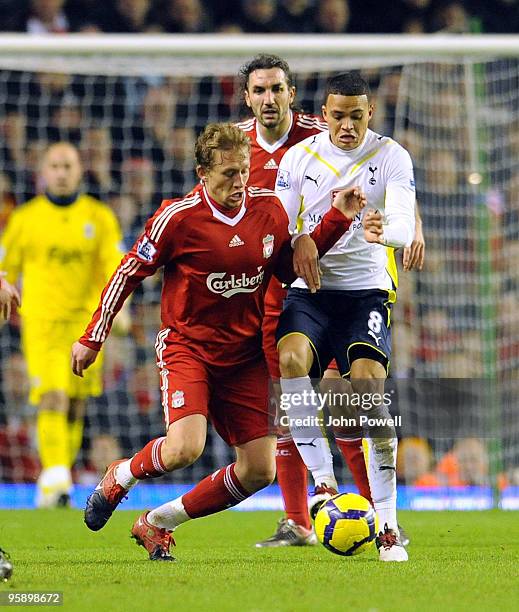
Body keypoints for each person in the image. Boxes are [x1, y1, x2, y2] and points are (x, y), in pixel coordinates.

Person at [71, 122, 365, 561]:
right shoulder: (178, 218)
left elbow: (290, 267)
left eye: (244, 171)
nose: (240, 182)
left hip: (243, 356)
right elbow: (127, 273)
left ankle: (157, 522)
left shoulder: (268, 211)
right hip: (188, 346)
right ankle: (122, 474)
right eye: (228, 173)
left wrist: (337, 219)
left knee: (258, 471)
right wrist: (94, 336)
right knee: (184, 448)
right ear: (202, 173)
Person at [275, 72, 416, 562]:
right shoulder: (299, 157)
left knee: (368, 394)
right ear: (325, 112)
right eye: (338, 116)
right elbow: (280, 225)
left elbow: (402, 214)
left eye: (357, 116)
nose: (347, 126)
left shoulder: (391, 156)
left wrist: (387, 231)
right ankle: (324, 485)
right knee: (290, 359)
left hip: (365, 294)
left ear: (369, 114)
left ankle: (389, 527)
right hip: (310, 292)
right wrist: (300, 238)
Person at [236, 53, 373, 547]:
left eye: (277, 88)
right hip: (273, 292)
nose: (269, 98)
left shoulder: (325, 133)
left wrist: (410, 221)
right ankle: (298, 520)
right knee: (287, 408)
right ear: (247, 97)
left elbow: (384, 176)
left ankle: (378, 517)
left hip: (335, 287)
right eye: (259, 90)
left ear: (292, 93)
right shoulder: (235, 147)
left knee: (343, 403)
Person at [0, 142, 124, 507]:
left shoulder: (98, 217)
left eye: (67, 165)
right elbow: (6, 264)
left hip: (86, 327)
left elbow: (116, 268)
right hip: (42, 325)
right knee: (51, 396)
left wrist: (121, 311)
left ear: (79, 170)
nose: (61, 172)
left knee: (73, 403)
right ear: (43, 171)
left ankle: (57, 481)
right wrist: (4, 281)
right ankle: (56, 476)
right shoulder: (26, 219)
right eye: (54, 165)